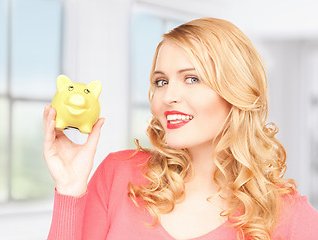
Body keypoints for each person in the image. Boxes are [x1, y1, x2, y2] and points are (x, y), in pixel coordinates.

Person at [43, 17, 318, 240]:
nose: (168, 96)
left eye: (192, 78)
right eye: (161, 81)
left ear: (236, 92)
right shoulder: (118, 176)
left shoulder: (289, 213)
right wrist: (69, 189)